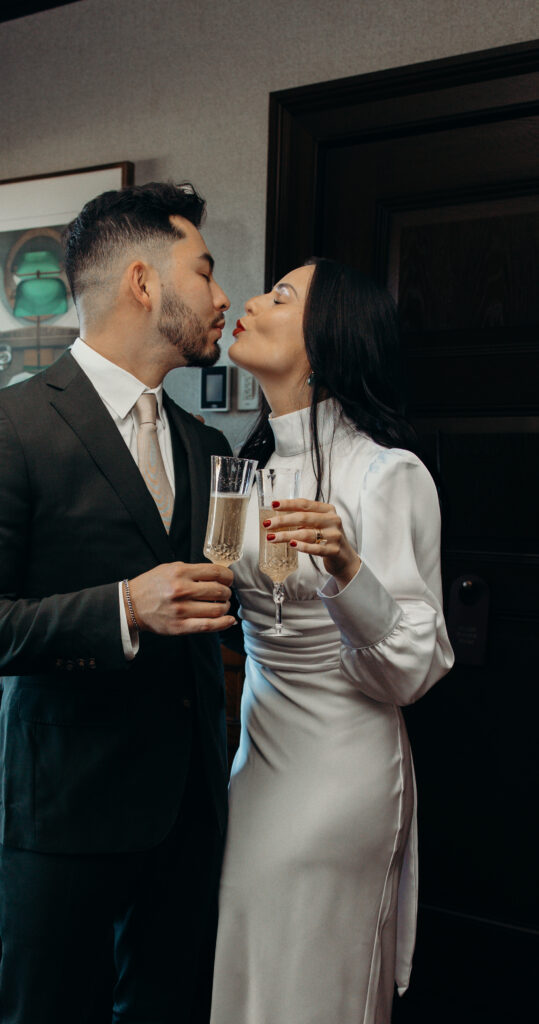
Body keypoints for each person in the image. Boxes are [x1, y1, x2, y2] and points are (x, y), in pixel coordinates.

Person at [0, 181, 237, 1024]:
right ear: (144, 282)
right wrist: (124, 609)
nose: (220, 296)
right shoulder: (4, 426)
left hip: (189, 804)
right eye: (204, 271)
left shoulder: (205, 443)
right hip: (65, 806)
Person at [210, 258, 455, 1024]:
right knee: (250, 970)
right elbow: (230, 597)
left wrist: (347, 567)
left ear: (328, 341)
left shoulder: (387, 475)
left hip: (338, 768)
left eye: (281, 296)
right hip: (257, 761)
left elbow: (412, 667)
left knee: (311, 982)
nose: (251, 300)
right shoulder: (240, 472)